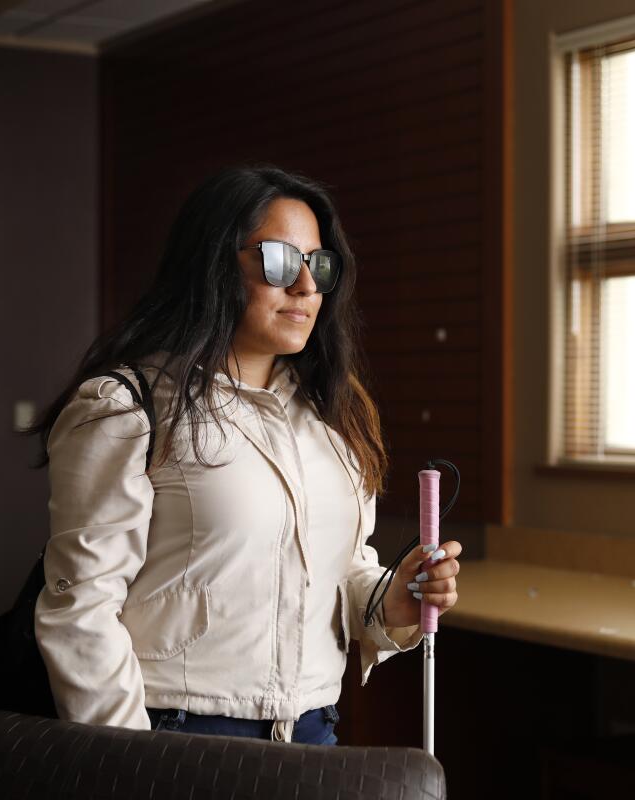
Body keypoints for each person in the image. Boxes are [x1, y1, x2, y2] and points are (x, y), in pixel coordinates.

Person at [25, 165, 461, 745]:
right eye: (280, 261)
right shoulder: (127, 409)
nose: (305, 287)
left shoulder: (332, 416)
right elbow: (79, 610)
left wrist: (392, 603)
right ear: (213, 265)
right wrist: (133, 766)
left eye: (319, 266)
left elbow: (339, 574)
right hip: (178, 736)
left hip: (312, 733)